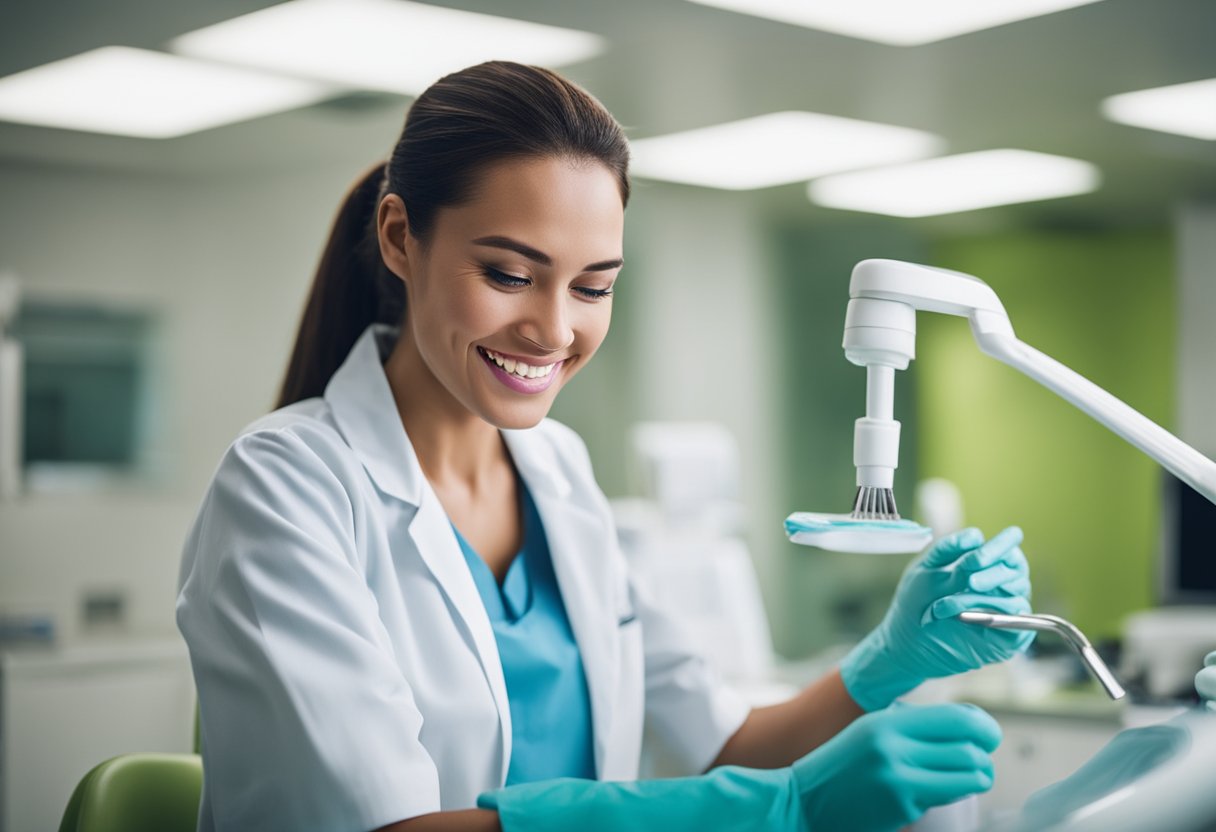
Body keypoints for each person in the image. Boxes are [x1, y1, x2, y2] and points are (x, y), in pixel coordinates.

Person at [176, 61, 1035, 832]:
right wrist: (784, 808)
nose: (553, 329)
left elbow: (724, 742)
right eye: (509, 275)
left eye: (594, 287)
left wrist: (890, 658)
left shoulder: (560, 471)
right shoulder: (287, 486)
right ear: (401, 237)